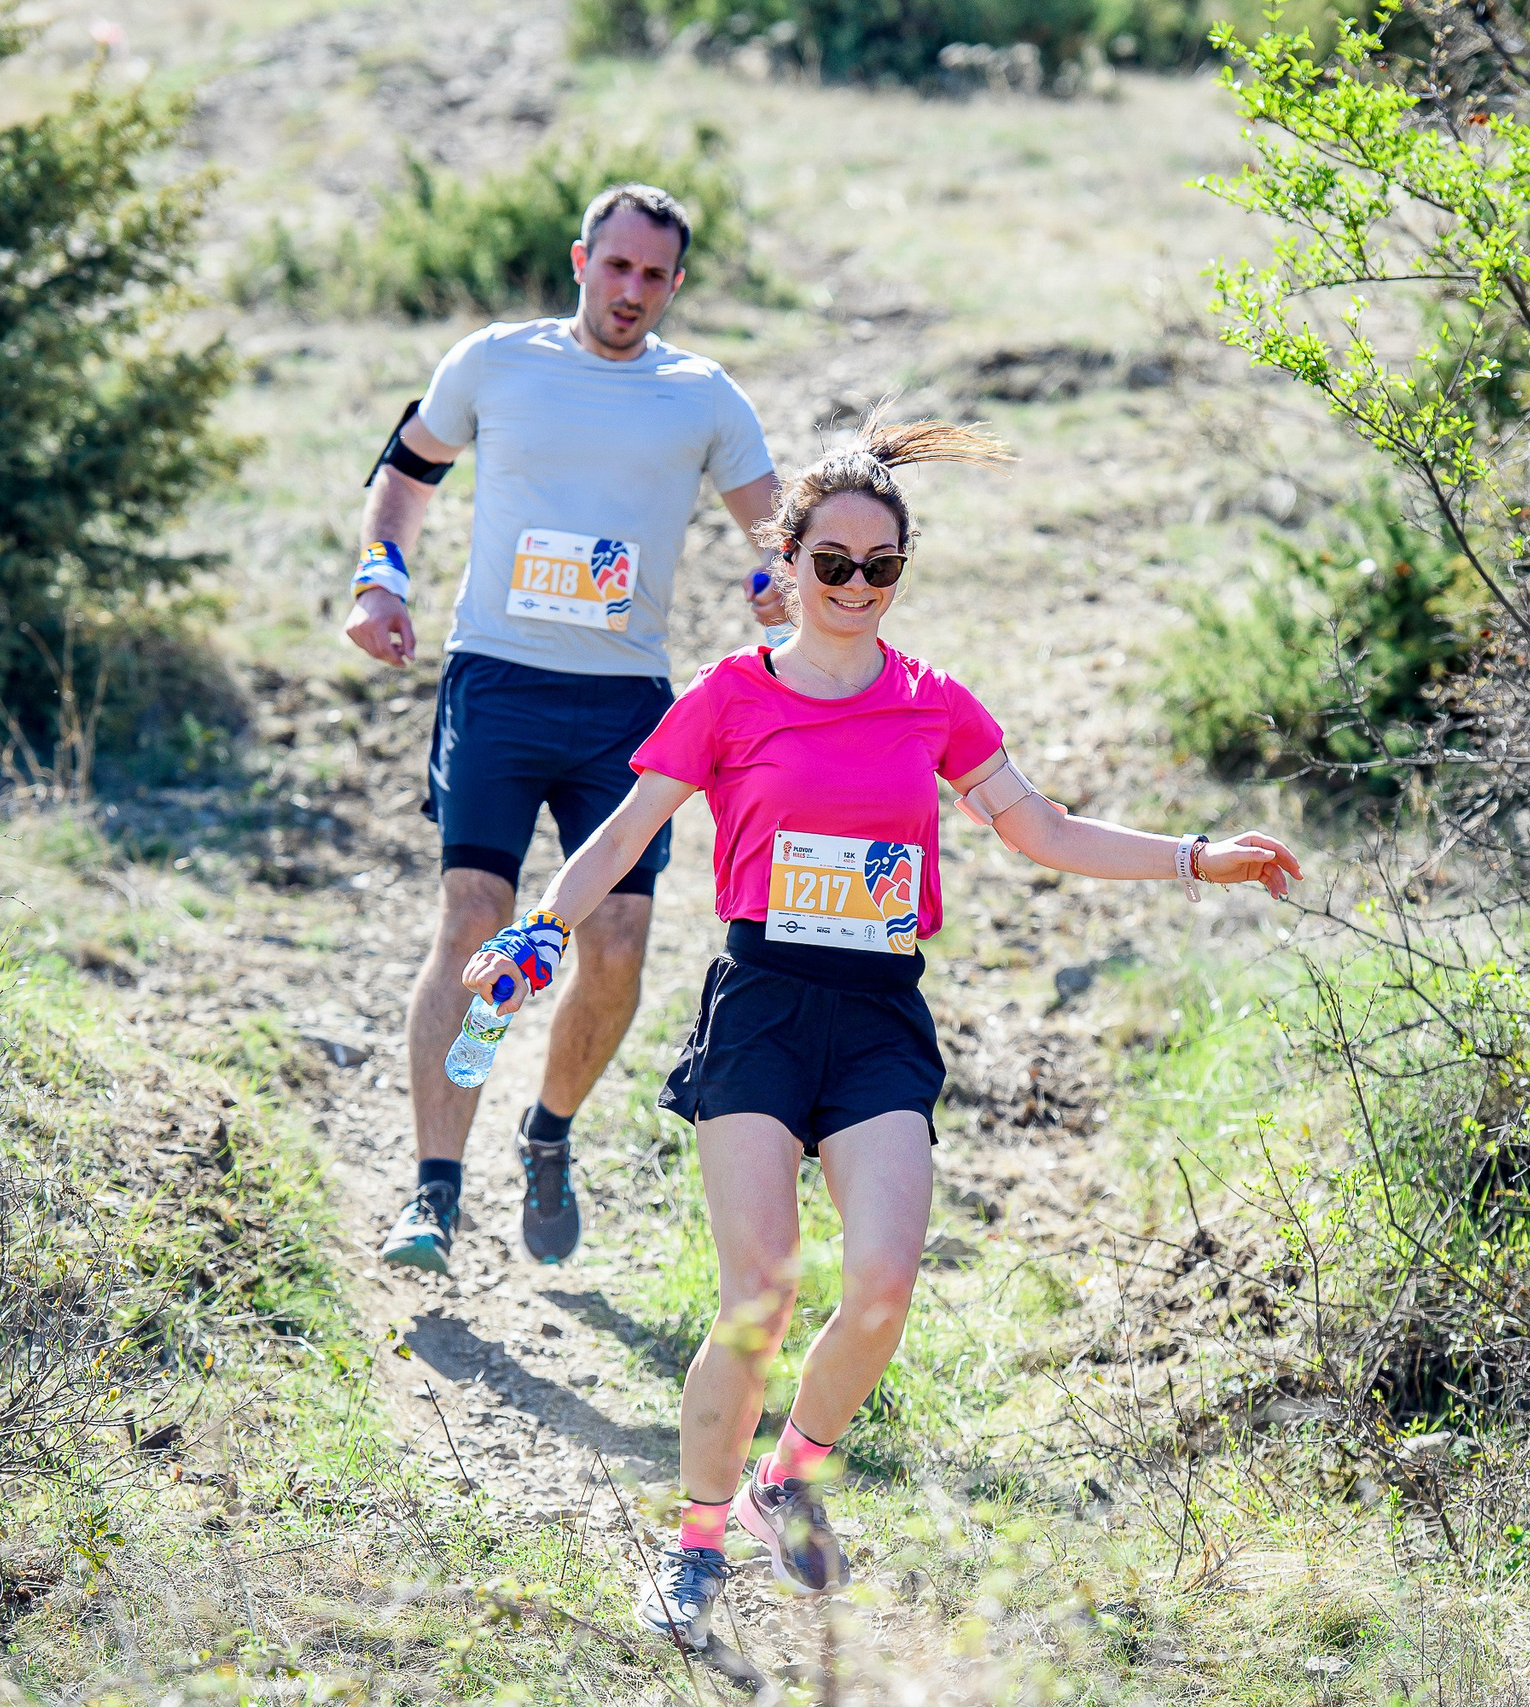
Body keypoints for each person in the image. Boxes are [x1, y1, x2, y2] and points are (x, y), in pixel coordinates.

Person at [459, 408, 1302, 1648]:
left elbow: (1042, 828)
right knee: (758, 1293)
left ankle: (785, 1477)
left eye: (882, 567)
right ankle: (696, 1550)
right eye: (835, 563)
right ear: (789, 560)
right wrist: (540, 931)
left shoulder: (932, 703)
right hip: (761, 1005)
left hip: (877, 1015)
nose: (857, 587)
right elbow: (628, 831)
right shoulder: (729, 697)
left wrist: (1195, 856)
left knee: (884, 1287)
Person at [344, 182, 789, 1274]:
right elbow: (406, 470)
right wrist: (380, 577)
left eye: (654, 276)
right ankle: (434, 1190)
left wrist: (778, 583)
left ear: (675, 285)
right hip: (495, 680)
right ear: (581, 259)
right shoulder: (495, 360)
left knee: (617, 946)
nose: (631, 290)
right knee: (474, 919)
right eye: (616, 266)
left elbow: (777, 532)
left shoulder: (702, 395)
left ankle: (548, 1130)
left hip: (625, 705)